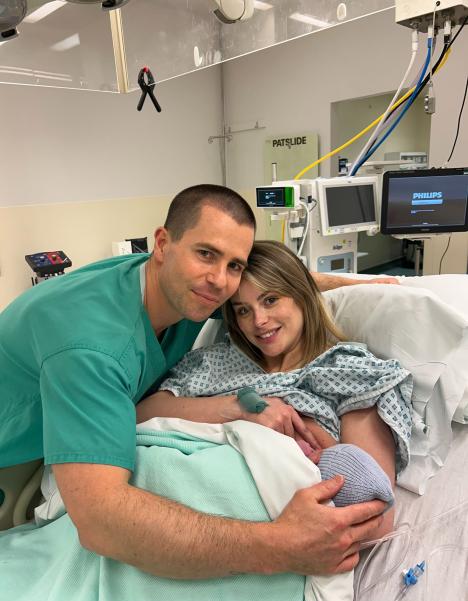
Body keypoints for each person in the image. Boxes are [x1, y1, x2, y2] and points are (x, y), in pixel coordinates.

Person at [0, 183, 398, 579]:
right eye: (206, 253)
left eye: (233, 265)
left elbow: (274, 285)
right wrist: (282, 544)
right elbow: (102, 521)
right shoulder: (90, 345)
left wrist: (350, 285)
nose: (220, 281)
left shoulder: (184, 290)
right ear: (161, 244)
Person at [137, 240, 412, 537]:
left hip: (242, 527)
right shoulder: (214, 361)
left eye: (270, 300)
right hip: (160, 505)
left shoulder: (350, 372)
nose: (259, 321)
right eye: (243, 310)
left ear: (301, 295)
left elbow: (373, 510)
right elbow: (142, 414)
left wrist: (303, 437)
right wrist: (242, 410)